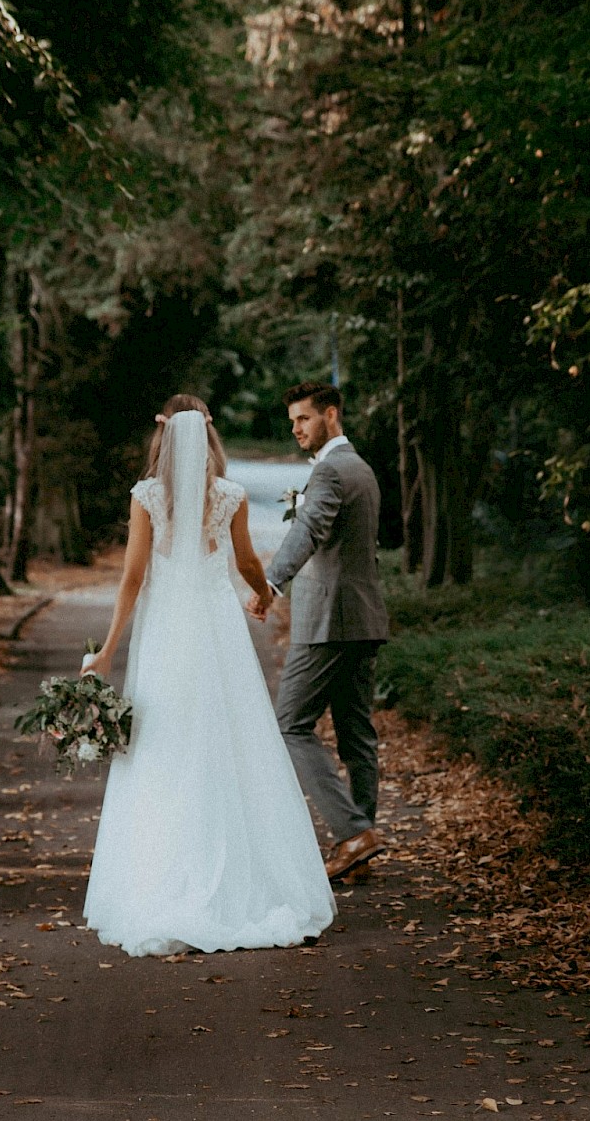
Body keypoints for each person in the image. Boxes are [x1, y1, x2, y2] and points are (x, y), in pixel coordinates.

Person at [81, 393, 336, 958]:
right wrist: (264, 594)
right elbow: (245, 561)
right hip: (216, 630)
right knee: (229, 741)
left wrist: (107, 650)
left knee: (164, 746)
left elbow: (131, 577)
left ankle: (162, 880)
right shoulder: (229, 496)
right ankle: (243, 882)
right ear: (210, 438)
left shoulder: (148, 496)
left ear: (163, 436)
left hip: (167, 632)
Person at [247, 381, 390, 882]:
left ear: (331, 414)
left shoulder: (331, 470)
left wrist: (270, 581)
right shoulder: (362, 468)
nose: (296, 429)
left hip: (329, 620)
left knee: (291, 724)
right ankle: (360, 849)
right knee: (356, 735)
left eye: (303, 419)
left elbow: (308, 530)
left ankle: (353, 833)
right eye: (292, 421)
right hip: (363, 616)